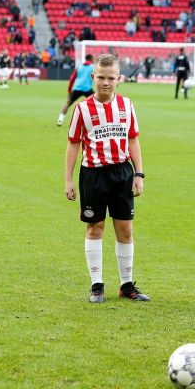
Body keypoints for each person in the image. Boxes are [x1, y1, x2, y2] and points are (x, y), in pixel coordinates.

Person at [64, 53, 150, 304]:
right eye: (101, 77)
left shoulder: (127, 105)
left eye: (110, 78)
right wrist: (68, 181)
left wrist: (139, 174)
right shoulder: (82, 109)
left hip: (122, 173)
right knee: (95, 227)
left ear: (118, 79)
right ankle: (97, 285)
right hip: (93, 174)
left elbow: (133, 139)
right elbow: (72, 145)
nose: (105, 82)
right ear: (93, 77)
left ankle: (126, 285)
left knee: (125, 229)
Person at [56, 54, 95, 126]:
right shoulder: (93, 67)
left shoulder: (79, 67)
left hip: (77, 88)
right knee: (98, 103)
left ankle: (60, 120)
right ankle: (97, 121)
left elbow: (71, 79)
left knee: (68, 103)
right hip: (87, 89)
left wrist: (69, 91)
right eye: (93, 58)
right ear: (91, 59)